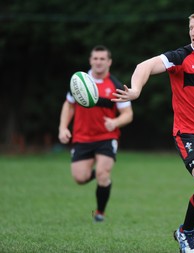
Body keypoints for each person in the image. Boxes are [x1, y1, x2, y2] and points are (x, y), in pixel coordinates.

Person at [112, 11, 194, 253]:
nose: (193, 33)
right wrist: (135, 90)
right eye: (191, 28)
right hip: (189, 133)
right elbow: (145, 65)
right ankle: (186, 232)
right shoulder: (181, 57)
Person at [58, 45, 133, 222]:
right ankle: (100, 176)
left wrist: (115, 122)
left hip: (106, 137)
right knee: (80, 178)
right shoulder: (78, 82)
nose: (98, 62)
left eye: (102, 59)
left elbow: (128, 114)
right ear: (90, 60)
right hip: (82, 137)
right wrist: (63, 127)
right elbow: (68, 105)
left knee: (102, 173)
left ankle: (99, 212)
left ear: (109, 62)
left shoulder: (115, 85)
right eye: (95, 58)